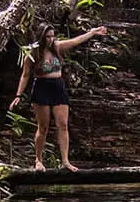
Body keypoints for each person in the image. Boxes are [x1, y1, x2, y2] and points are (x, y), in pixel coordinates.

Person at [11, 24, 109, 171]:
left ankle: (65, 161)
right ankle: (38, 160)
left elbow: (76, 41)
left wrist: (92, 32)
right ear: (41, 37)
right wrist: (18, 95)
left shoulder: (56, 47)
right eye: (47, 36)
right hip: (41, 87)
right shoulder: (33, 52)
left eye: (52, 36)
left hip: (58, 86)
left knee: (62, 124)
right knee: (43, 127)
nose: (50, 39)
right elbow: (25, 75)